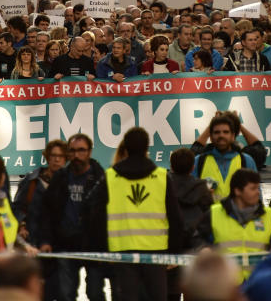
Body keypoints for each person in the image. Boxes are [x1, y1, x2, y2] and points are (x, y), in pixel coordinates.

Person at [101, 127, 183, 300]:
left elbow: (96, 216)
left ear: (125, 147)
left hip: (122, 252)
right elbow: (175, 217)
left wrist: (103, 250)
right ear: (147, 147)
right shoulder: (162, 176)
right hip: (156, 252)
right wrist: (174, 252)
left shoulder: (110, 177)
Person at [39, 133, 108, 301]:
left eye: (81, 150)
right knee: (65, 294)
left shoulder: (101, 178)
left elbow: (107, 213)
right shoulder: (60, 177)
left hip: (93, 244)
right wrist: (46, 240)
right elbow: (47, 212)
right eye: (72, 151)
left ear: (90, 152)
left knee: (95, 292)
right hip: (66, 242)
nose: (76, 155)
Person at [12, 140, 67, 301]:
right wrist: (21, 225)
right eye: (53, 156)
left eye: (60, 156)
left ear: (66, 159)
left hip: (60, 246)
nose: (56, 159)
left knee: (59, 291)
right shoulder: (32, 181)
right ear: (47, 158)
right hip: (33, 244)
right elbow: (18, 206)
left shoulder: (69, 183)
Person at [200, 168, 271, 281]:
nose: (258, 192)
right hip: (225, 284)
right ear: (237, 191)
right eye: (253, 188)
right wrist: (204, 248)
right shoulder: (214, 213)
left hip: (258, 283)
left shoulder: (268, 214)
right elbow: (198, 238)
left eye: (258, 188)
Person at [191, 111, 265, 200]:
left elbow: (257, 197)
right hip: (208, 214)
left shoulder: (246, 160)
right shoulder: (198, 161)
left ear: (233, 135)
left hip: (239, 214)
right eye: (217, 132)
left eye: (226, 132)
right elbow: (190, 194)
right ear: (210, 136)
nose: (221, 135)